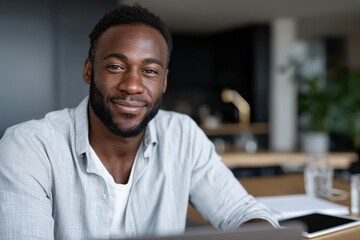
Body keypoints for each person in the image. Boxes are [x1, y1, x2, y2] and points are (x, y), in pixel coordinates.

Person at [0, 3, 279, 239]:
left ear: (164, 81)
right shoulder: (30, 148)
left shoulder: (182, 135)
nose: (133, 85)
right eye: (116, 67)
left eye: (149, 70)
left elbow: (242, 213)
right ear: (89, 71)